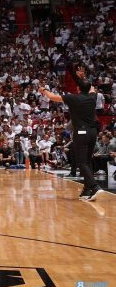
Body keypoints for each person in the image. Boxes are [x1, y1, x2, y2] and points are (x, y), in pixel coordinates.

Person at [38, 65, 103, 201]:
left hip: (81, 132)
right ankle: (87, 190)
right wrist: (83, 77)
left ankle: (94, 186)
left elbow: (52, 97)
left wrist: (43, 90)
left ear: (78, 88)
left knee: (81, 162)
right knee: (87, 161)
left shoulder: (73, 98)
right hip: (93, 133)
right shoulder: (93, 96)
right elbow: (91, 87)